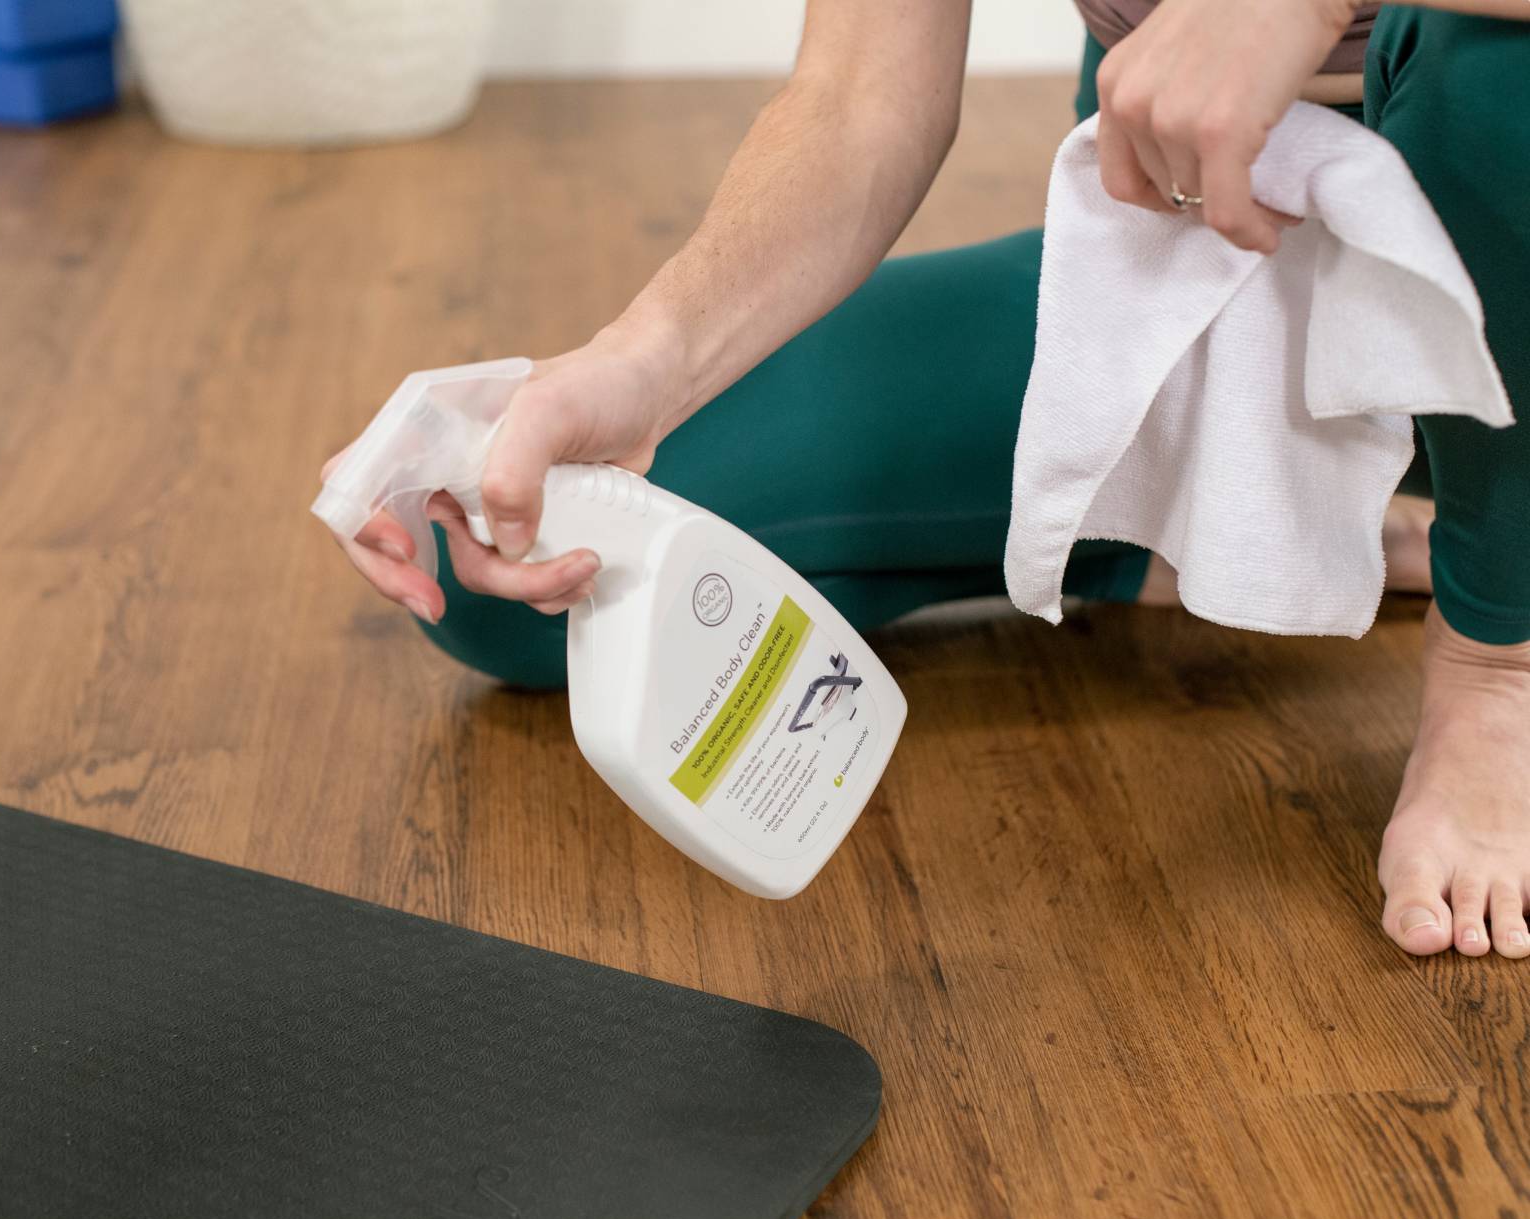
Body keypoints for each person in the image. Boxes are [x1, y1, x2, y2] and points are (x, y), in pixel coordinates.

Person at [326, 0, 1530, 959]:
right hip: (1206, 253)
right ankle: (1324, 515)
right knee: (522, 570)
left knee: (1490, 67)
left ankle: (1496, 658)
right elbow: (861, 100)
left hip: (1499, 254)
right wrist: (643, 368)